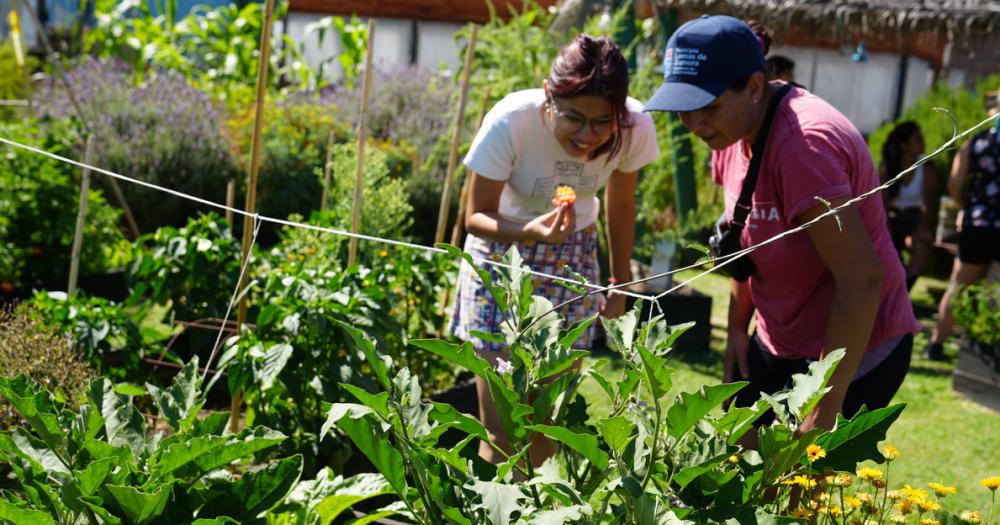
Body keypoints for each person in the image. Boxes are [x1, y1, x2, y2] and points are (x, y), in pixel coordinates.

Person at [644, 15, 920, 434]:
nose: (694, 124)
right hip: (781, 337)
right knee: (738, 466)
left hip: (853, 347)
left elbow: (862, 279)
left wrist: (823, 406)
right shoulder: (731, 134)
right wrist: (738, 328)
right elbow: (745, 243)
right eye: (684, 110)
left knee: (795, 487)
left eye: (707, 107)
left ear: (755, 87)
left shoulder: (804, 148)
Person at [451, 34, 659, 464]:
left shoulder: (636, 126)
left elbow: (620, 205)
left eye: (603, 122)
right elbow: (475, 216)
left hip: (573, 255)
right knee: (502, 422)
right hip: (500, 254)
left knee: (546, 417)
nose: (587, 136)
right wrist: (530, 231)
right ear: (549, 97)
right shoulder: (512, 120)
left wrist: (618, 281)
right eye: (573, 118)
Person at [924, 90, 1000, 361]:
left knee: (959, 286)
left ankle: (936, 343)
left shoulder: (975, 143)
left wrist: (966, 207)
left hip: (977, 223)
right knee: (995, 289)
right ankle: (983, 350)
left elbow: (955, 183)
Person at [880, 121, 938, 290]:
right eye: (917, 140)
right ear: (904, 145)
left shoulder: (926, 167)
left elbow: (929, 202)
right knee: (884, 245)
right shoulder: (889, 166)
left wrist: (923, 228)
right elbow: (882, 203)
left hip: (914, 219)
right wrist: (887, 229)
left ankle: (905, 287)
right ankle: (888, 287)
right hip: (890, 219)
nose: (923, 143)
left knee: (922, 245)